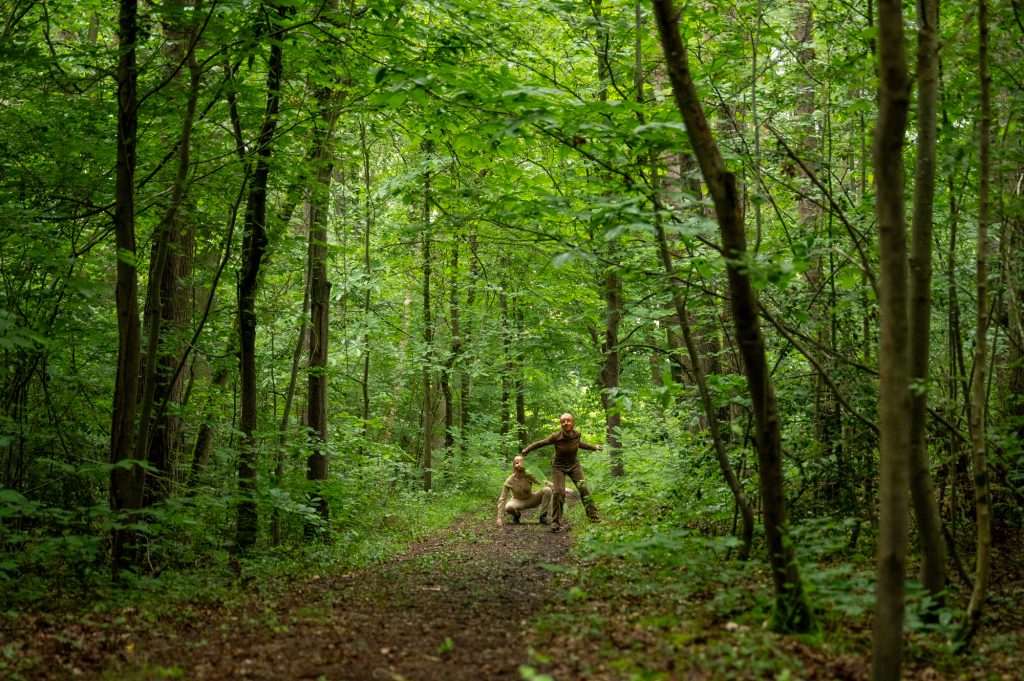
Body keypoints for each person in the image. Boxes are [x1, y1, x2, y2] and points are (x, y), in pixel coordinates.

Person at [520, 412, 602, 533]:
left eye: (568, 420)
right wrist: (527, 450)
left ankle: (594, 518)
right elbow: (541, 443)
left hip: (574, 466)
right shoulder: (556, 436)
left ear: (572, 423)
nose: (565, 423)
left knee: (584, 489)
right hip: (558, 467)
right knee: (558, 492)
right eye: (563, 421)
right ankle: (555, 524)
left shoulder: (577, 435)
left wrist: (594, 447)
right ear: (561, 424)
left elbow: (579, 444)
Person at [497, 456, 552, 527]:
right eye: (517, 462)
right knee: (508, 507)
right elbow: (502, 498)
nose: (519, 464)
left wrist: (561, 488)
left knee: (547, 490)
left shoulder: (529, 476)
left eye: (521, 462)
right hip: (517, 501)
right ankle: (516, 516)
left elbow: (544, 482)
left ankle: (543, 516)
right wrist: (499, 517)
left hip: (531, 499)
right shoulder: (510, 480)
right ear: (514, 465)